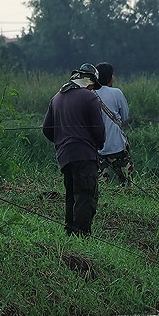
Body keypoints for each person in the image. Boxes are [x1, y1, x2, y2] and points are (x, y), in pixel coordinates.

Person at [42, 63, 106, 237]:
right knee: (86, 197)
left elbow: (47, 129)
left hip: (65, 157)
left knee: (71, 196)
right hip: (85, 156)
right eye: (94, 87)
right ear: (90, 83)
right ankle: (82, 236)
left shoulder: (56, 98)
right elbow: (98, 131)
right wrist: (97, 145)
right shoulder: (89, 97)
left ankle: (70, 234)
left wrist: (62, 143)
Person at [94, 62, 132, 186]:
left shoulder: (89, 94)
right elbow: (125, 117)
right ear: (109, 77)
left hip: (96, 149)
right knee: (126, 183)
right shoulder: (117, 93)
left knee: (99, 185)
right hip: (117, 147)